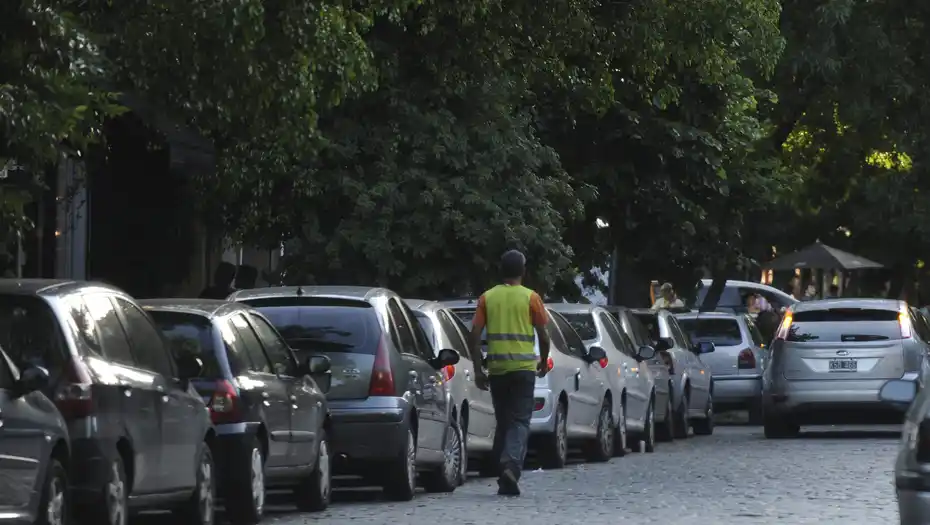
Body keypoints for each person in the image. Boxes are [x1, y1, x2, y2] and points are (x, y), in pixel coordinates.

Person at [469, 250, 550, 497]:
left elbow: (474, 335)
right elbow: (544, 335)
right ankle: (510, 466)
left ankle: (504, 470)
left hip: (497, 370)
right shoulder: (531, 298)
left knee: (505, 421)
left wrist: (477, 368)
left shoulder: (487, 298)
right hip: (524, 369)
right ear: (523, 271)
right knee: (519, 421)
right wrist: (543, 360)